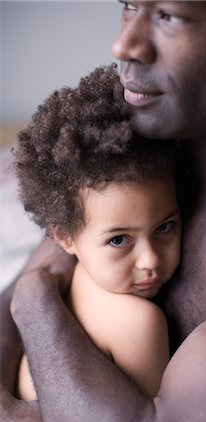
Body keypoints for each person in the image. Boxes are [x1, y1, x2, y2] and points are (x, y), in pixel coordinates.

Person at [1, 1, 206, 422]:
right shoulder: (141, 153)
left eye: (168, 16)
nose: (124, 43)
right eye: (129, 6)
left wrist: (33, 299)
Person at [13, 65, 182, 401]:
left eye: (164, 227)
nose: (150, 260)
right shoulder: (138, 323)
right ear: (64, 238)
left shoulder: (80, 278)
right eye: (119, 239)